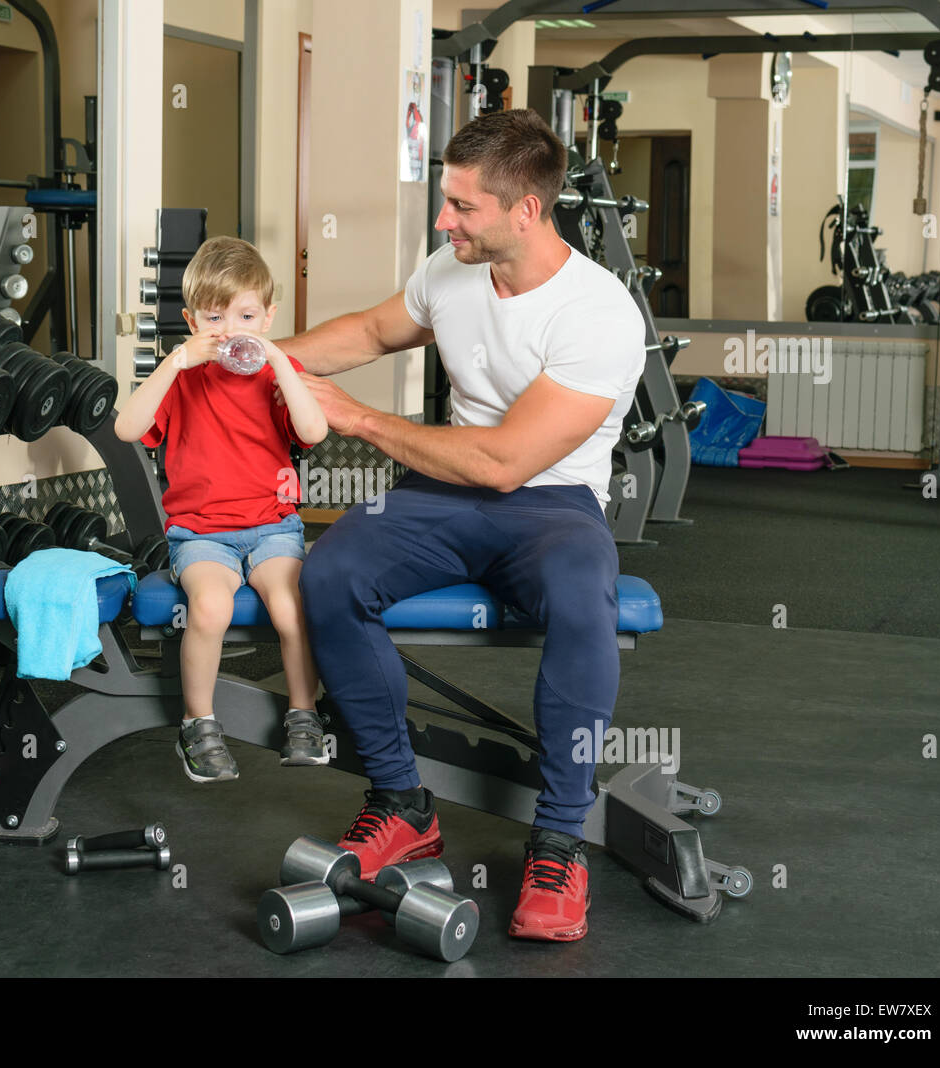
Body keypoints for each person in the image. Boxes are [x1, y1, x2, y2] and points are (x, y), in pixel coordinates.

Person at [277, 109, 645, 941]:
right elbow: (372, 330)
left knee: (585, 603)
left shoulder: (599, 314)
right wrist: (270, 357)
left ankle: (558, 839)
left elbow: (507, 463)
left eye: (462, 207)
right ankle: (402, 802)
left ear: (526, 210)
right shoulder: (452, 269)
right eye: (445, 202)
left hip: (551, 503)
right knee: (329, 573)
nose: (444, 222)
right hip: (436, 496)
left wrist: (359, 421)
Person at [115, 236, 329, 783]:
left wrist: (279, 358)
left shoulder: (277, 374)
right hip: (201, 535)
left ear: (268, 316)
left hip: (271, 529)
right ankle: (197, 723)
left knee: (290, 608)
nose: (231, 328)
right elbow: (126, 429)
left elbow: (313, 431)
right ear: (191, 320)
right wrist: (174, 361)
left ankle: (304, 715)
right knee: (210, 610)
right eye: (214, 316)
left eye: (246, 315)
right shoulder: (185, 375)